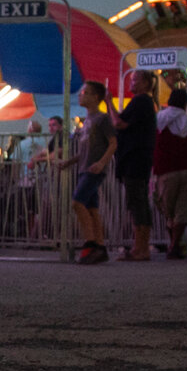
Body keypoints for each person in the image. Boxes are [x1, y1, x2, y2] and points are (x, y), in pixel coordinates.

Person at [149, 74, 187, 259]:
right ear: (185, 104)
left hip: (166, 171)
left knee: (168, 210)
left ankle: (174, 244)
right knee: (183, 209)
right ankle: (176, 245)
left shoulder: (159, 120)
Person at [113, 71, 160, 259]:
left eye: (135, 80)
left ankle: (140, 247)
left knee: (137, 202)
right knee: (139, 201)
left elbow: (119, 123)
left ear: (145, 83)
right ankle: (140, 246)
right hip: (139, 158)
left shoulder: (141, 102)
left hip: (135, 158)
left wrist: (109, 102)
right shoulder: (147, 104)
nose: (131, 83)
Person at [68, 80, 113, 263]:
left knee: (77, 203)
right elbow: (85, 151)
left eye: (85, 92)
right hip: (85, 167)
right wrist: (69, 162)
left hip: (93, 169)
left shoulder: (102, 119)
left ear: (95, 97)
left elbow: (113, 143)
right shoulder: (87, 121)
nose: (81, 95)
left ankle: (90, 241)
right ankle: (100, 246)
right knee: (92, 208)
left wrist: (102, 163)